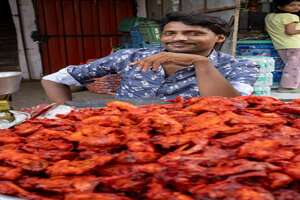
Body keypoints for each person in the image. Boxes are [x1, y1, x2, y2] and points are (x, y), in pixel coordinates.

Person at [41, 11, 260, 104]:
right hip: (125, 135)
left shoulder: (240, 67)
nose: (179, 39)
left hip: (194, 139)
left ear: (220, 37)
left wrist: (200, 63)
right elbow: (54, 78)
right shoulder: (129, 57)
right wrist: (67, 113)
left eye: (194, 33)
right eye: (170, 33)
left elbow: (230, 106)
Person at [265, 0, 300, 93]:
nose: (296, 7)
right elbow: (290, 31)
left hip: (280, 45)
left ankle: (296, 85)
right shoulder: (291, 16)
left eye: (298, 5)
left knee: (292, 65)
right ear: (279, 6)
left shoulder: (269, 17)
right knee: (294, 66)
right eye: (292, 5)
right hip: (295, 44)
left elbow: (266, 29)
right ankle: (286, 87)